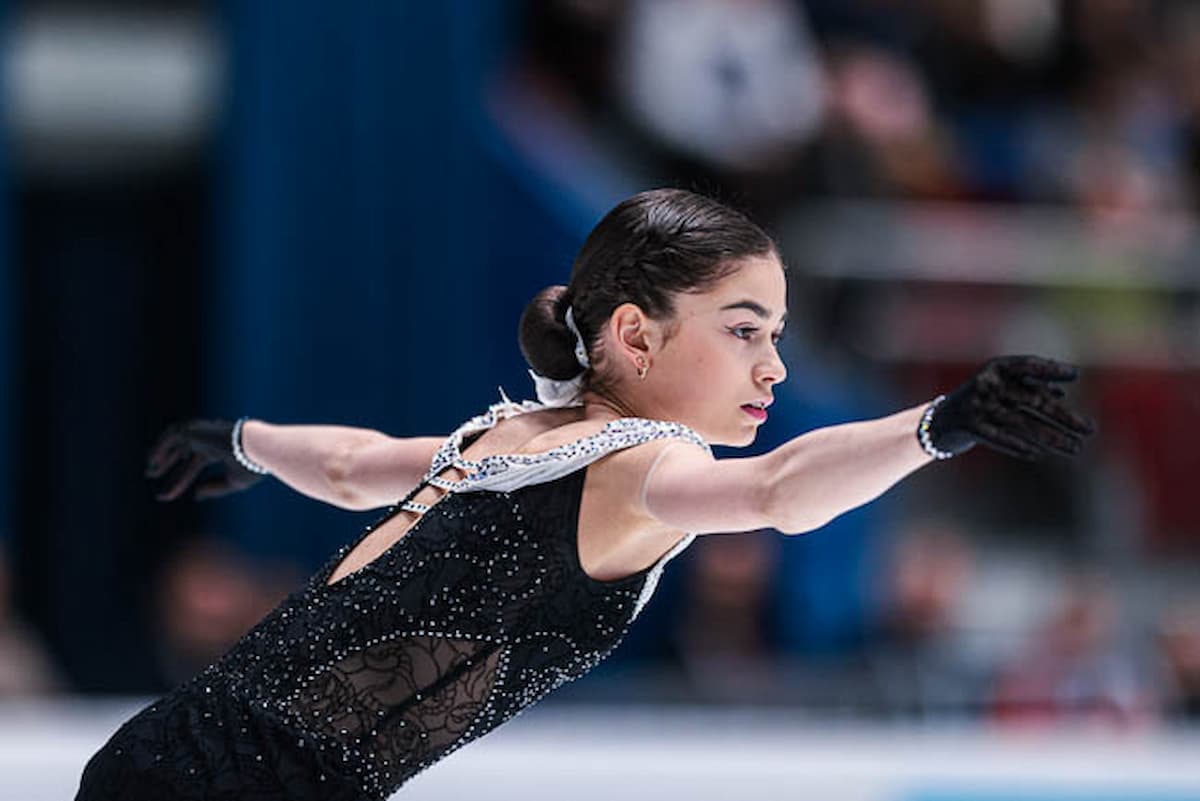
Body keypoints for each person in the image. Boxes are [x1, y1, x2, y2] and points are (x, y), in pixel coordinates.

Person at [75, 188, 1095, 800]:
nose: (773, 369)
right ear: (637, 336)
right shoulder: (634, 465)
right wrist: (939, 424)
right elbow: (781, 491)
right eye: (745, 330)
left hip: (167, 759)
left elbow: (353, 464)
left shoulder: (508, 435)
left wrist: (248, 442)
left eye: (778, 335)